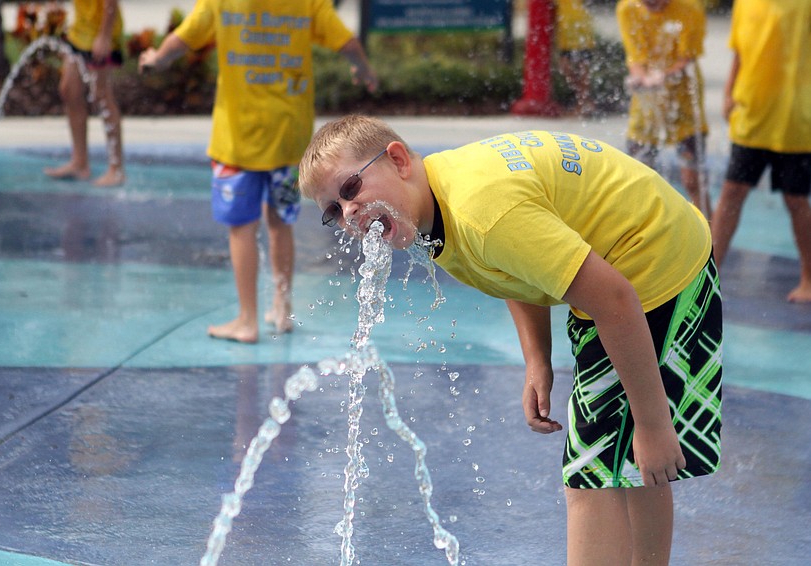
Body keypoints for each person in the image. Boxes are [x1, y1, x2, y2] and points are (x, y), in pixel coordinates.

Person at [299, 115, 723, 564]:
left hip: (651, 269)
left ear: (398, 159)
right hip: (657, 250)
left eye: (350, 190)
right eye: (333, 211)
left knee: (589, 475)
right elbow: (519, 267)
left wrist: (654, 424)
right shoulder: (436, 197)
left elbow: (615, 300)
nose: (348, 213)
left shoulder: (480, 211)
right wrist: (537, 358)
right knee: (628, 464)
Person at [139, 0, 377, 343]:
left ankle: (247, 320)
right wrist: (364, 70)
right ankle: (282, 308)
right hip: (288, 142)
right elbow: (349, 44)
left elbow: (183, 40)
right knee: (280, 223)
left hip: (237, 143)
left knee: (241, 230)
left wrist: (156, 59)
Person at [710, 0, 811, 303]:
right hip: (752, 116)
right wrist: (728, 93)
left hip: (795, 120)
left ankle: (808, 278)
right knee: (731, 193)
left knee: (796, 200)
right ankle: (707, 276)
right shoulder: (746, 2)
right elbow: (740, 52)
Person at [616, 0, 710, 216]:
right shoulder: (627, 8)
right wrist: (640, 78)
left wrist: (661, 77)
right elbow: (635, 57)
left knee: (693, 181)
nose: (649, 3)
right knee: (638, 179)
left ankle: (710, 242)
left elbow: (687, 58)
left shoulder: (690, 8)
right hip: (647, 104)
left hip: (684, 101)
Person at [44, 0, 126, 187]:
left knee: (102, 95)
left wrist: (104, 36)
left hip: (101, 31)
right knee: (69, 90)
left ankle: (116, 169)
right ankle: (79, 163)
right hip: (81, 31)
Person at [554, 0, 596, 117]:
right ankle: (584, 100)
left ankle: (582, 103)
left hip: (580, 29)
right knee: (565, 67)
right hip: (566, 30)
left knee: (583, 68)